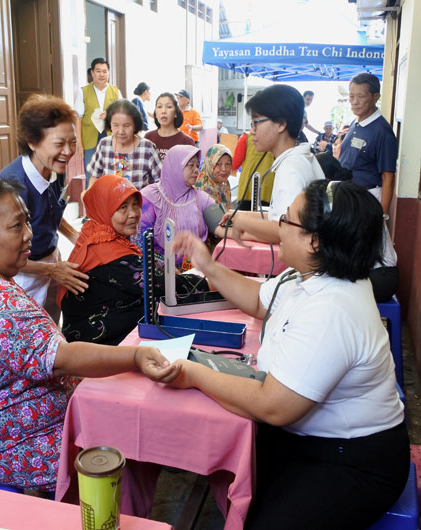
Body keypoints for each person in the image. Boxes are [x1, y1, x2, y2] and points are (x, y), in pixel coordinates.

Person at [170, 179, 409, 529]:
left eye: (287, 220)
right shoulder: (307, 278)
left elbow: (274, 406)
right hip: (306, 441)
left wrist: (193, 374)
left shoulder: (333, 308)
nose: (278, 226)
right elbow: (258, 300)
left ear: (315, 240)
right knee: (235, 477)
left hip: (351, 459)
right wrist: (208, 266)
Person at [0, 177, 178, 492]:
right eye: (16, 227)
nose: (29, 235)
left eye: (28, 221)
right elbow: (62, 360)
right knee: (124, 447)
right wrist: (136, 356)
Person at [59, 174, 209, 345]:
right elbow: (164, 285)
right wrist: (213, 281)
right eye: (122, 207)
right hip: (99, 346)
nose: (133, 214)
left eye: (136, 205)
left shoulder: (95, 231)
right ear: (104, 208)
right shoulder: (107, 253)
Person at [0, 94, 88, 323]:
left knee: (51, 327)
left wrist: (74, 235)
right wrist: (51, 270)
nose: (68, 151)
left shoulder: (55, 168)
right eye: (59, 144)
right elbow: (6, 258)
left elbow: (51, 212)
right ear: (32, 141)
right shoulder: (13, 187)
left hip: (50, 259)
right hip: (23, 273)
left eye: (73, 142)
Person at [225, 85, 324, 244]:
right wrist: (243, 216)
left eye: (256, 122)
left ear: (281, 124)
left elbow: (286, 230)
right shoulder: (300, 158)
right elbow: (280, 216)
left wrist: (242, 224)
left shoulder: (291, 169)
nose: (252, 131)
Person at [316, 152, 398, 302]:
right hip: (370, 271)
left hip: (380, 276)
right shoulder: (346, 193)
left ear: (325, 178)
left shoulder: (347, 201)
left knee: (322, 292)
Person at [140, 144, 217, 270]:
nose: (196, 170)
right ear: (174, 166)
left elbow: (221, 226)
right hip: (159, 271)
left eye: (197, 165)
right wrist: (164, 265)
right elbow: (140, 243)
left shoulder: (201, 198)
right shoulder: (150, 197)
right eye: (190, 165)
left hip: (195, 268)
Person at [339, 73, 397, 214]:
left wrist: (381, 216)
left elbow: (388, 176)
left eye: (361, 96)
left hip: (367, 199)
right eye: (352, 96)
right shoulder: (355, 122)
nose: (355, 101)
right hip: (347, 197)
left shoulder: (382, 131)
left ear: (376, 97)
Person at [86, 99, 161, 191]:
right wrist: (89, 191)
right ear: (110, 125)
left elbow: (159, 183)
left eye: (126, 125)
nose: (121, 131)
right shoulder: (104, 144)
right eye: (116, 125)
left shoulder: (147, 148)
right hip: (110, 204)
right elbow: (95, 176)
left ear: (135, 125)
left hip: (140, 204)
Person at [74, 57, 122, 185]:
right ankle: (92, 202)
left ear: (108, 73)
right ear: (92, 73)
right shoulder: (83, 92)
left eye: (105, 71)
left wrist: (110, 113)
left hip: (111, 136)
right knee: (91, 173)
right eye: (98, 71)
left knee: (112, 172)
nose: (102, 74)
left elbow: (122, 115)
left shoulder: (116, 91)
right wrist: (79, 142)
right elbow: (78, 118)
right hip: (90, 138)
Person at [144, 92, 194, 161]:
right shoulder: (148, 138)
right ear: (155, 113)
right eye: (159, 107)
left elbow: (190, 169)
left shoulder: (186, 141)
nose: (163, 111)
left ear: (175, 113)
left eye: (169, 107)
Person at [232, 131, 275, 207]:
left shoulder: (246, 137)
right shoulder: (276, 138)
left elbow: (235, 164)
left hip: (247, 190)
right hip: (268, 190)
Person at [195, 144, 233, 211]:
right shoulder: (204, 187)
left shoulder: (224, 182)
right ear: (210, 164)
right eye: (218, 164)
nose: (224, 169)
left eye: (228, 164)